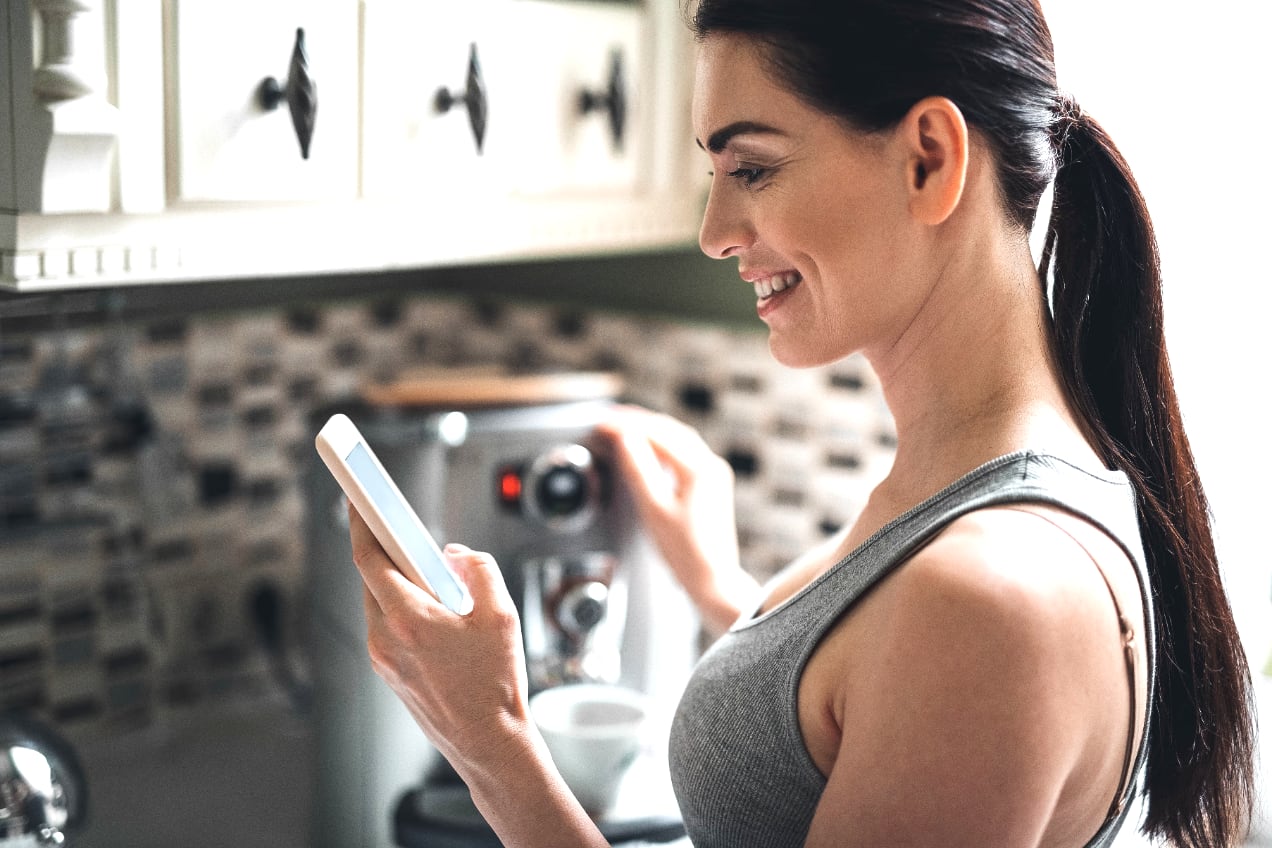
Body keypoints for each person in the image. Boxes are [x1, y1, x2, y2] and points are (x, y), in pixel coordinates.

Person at [346, 1, 1257, 845]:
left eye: (752, 169)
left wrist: (492, 745)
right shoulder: (981, 482)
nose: (714, 231)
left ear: (929, 158)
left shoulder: (988, 602)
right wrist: (728, 595)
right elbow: (858, 728)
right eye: (716, 173)